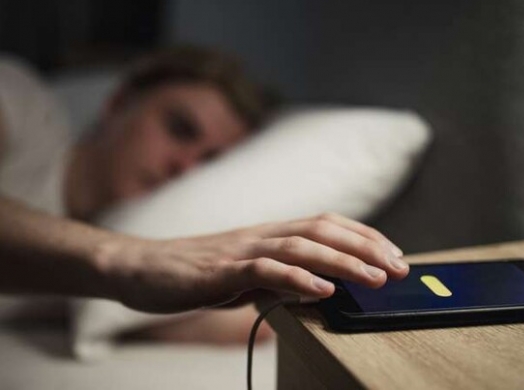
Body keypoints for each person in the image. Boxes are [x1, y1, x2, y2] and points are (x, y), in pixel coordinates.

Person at [0, 47, 409, 344]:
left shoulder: (119, 259)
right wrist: (128, 259)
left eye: (209, 161)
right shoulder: (23, 106)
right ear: (119, 103)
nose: (185, 167)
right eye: (180, 128)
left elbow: (256, 325)